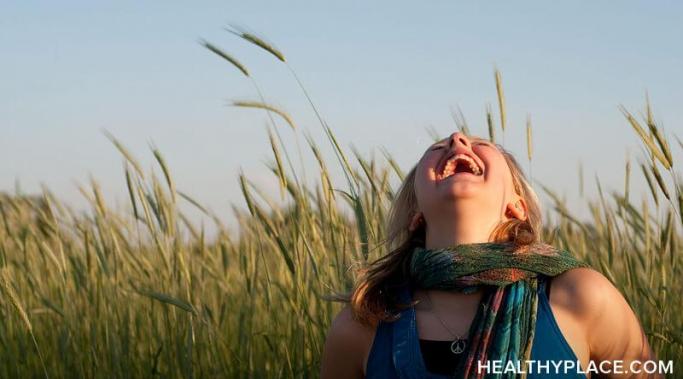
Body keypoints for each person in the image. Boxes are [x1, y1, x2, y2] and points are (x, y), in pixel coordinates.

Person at [320, 132, 657, 378]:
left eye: (482, 144)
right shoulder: (362, 323)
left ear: (518, 207)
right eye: (437, 148)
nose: (457, 140)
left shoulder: (582, 296)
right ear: (416, 215)